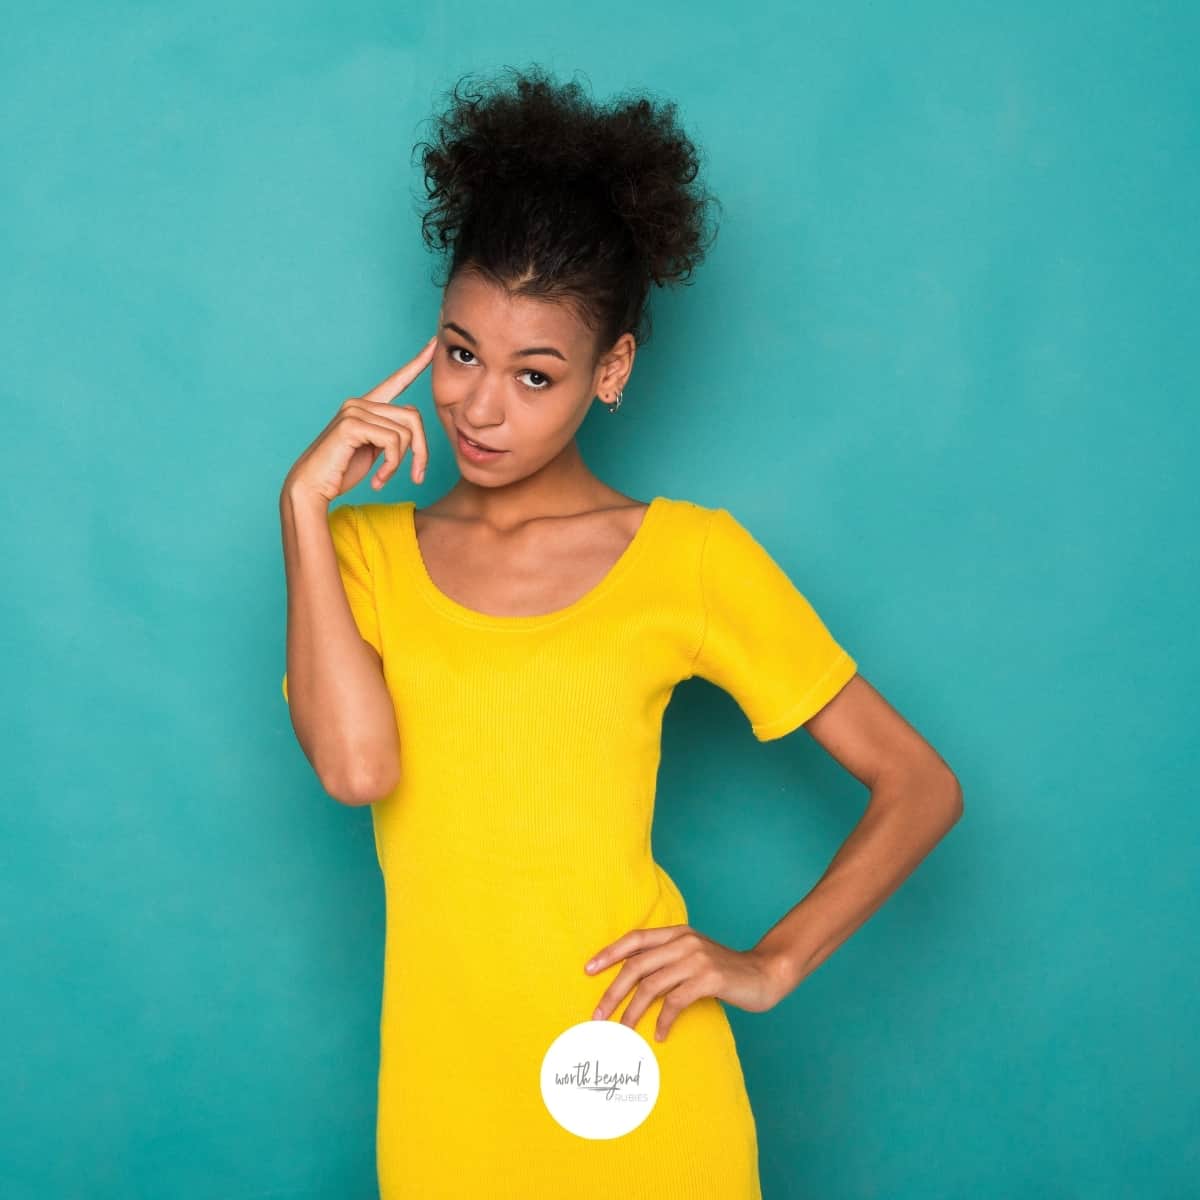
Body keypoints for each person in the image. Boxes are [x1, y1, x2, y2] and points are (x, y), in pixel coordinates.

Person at [278, 64, 962, 1200]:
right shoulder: (362, 557)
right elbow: (358, 770)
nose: (479, 408)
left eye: (534, 374)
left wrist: (770, 964)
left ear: (614, 370)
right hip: (449, 1110)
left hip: (642, 1090)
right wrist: (303, 509)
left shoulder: (688, 560)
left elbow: (918, 784)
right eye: (460, 353)